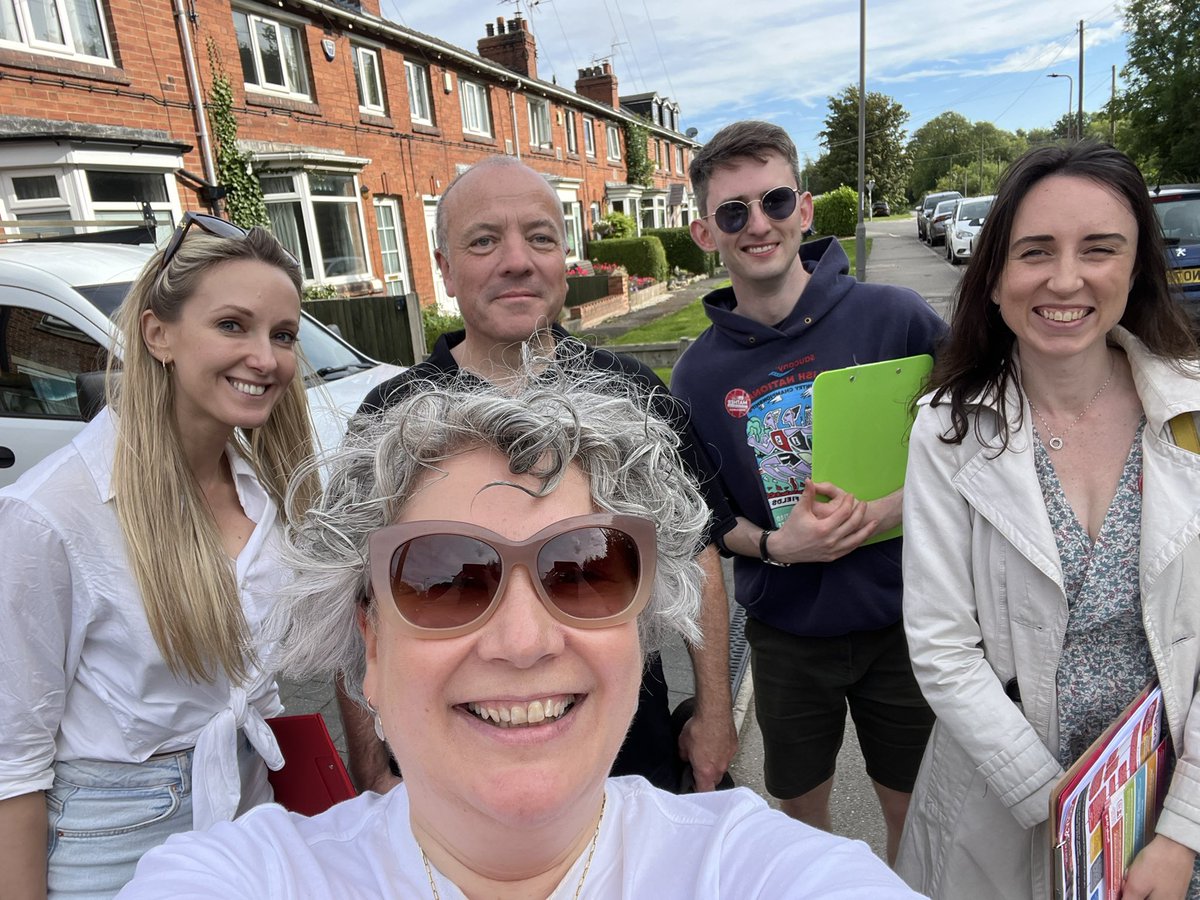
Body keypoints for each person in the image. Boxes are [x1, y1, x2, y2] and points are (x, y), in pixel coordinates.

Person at [116, 360, 924, 899]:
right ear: (369, 644)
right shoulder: (253, 878)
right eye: (442, 579)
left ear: (639, 625)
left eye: (584, 570)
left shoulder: (755, 870)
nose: (523, 639)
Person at [338, 155, 739, 796]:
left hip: (630, 759)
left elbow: (697, 560)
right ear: (444, 268)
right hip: (454, 760)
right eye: (484, 240)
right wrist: (369, 757)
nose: (518, 260)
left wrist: (714, 713)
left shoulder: (633, 394)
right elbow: (351, 596)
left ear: (562, 259)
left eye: (541, 237)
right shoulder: (392, 416)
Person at [897, 140, 1200, 900]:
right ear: (994, 275)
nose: (1066, 279)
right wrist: (1066, 810)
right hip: (1016, 803)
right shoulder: (947, 428)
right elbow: (941, 646)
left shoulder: (1194, 410)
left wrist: (1181, 832)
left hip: (1181, 803)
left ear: (1136, 269)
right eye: (1036, 252)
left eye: (1100, 250)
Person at [0, 215, 318, 898]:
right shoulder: (51, 513)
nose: (266, 358)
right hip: (115, 840)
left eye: (283, 335)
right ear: (158, 334)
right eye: (233, 325)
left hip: (250, 805)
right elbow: (12, 764)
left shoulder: (261, 489)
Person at [672, 120, 946, 863]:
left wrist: (897, 508)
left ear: (807, 208)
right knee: (799, 823)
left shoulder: (897, 318)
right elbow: (701, 520)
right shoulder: (695, 377)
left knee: (914, 815)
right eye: (734, 212)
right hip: (788, 636)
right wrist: (775, 546)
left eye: (775, 200)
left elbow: (977, 446)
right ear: (705, 233)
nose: (758, 224)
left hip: (905, 621)